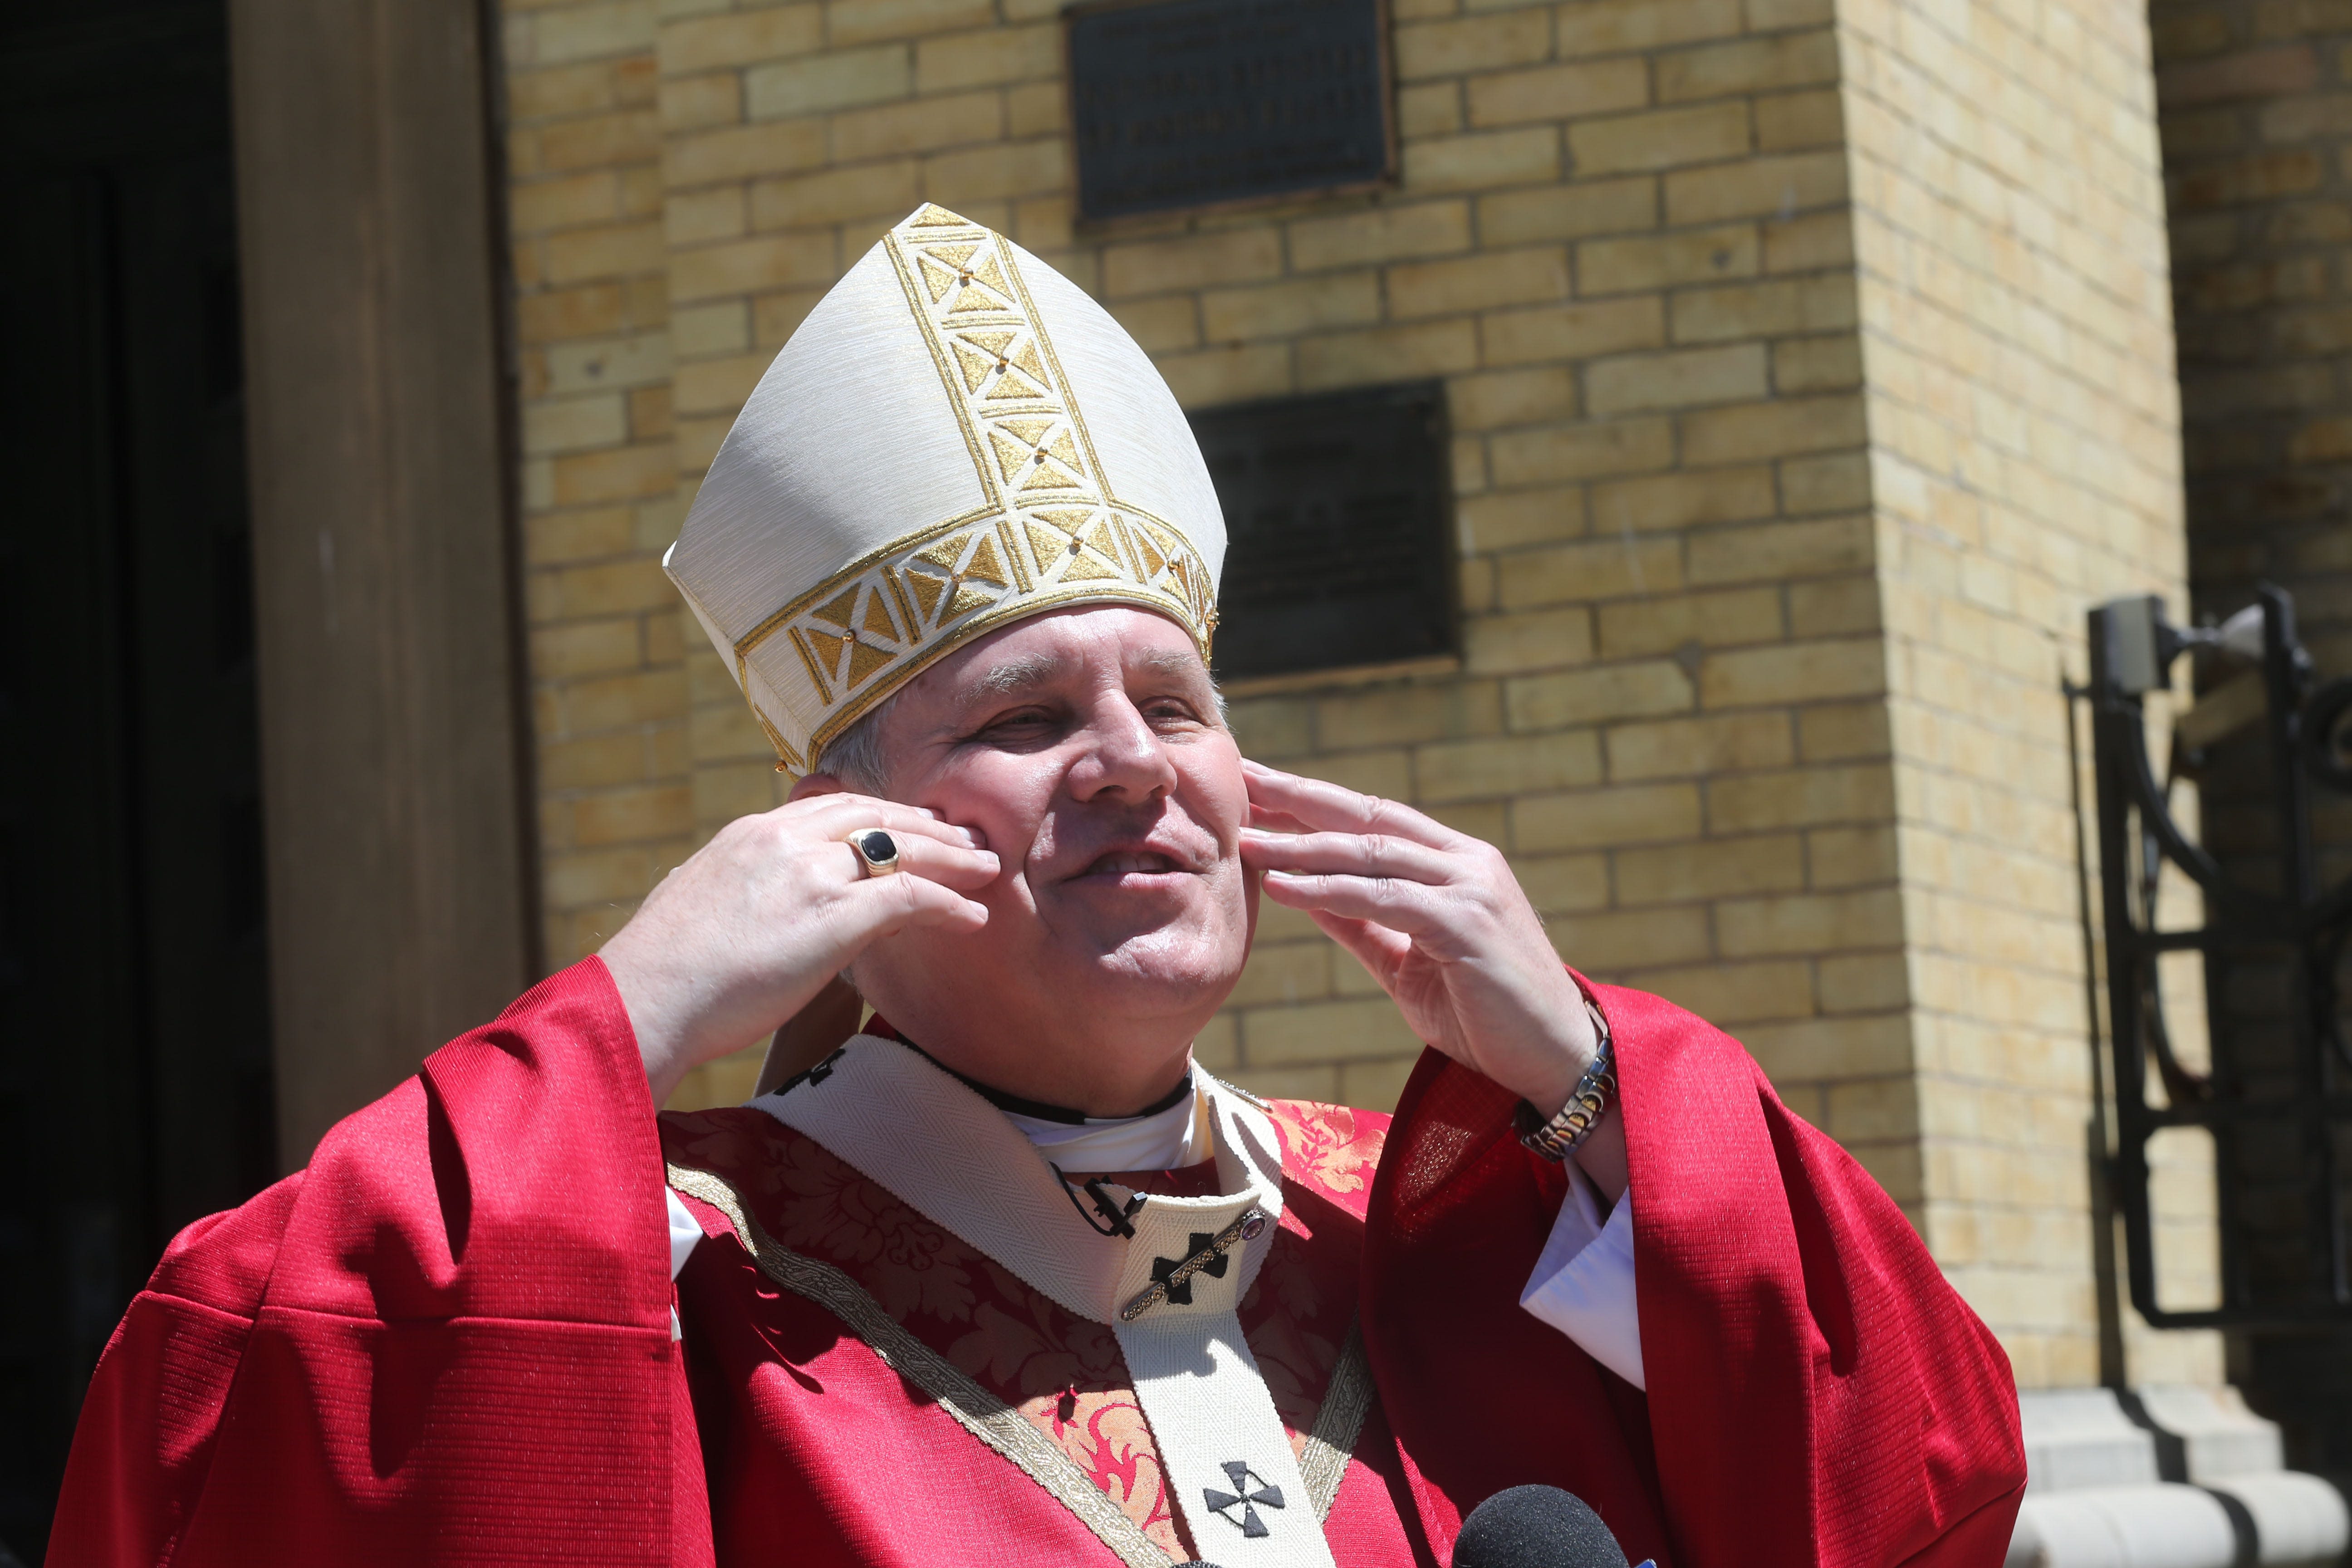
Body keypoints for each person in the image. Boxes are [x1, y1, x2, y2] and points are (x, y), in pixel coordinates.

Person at [46, 206, 2024, 1568]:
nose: (1133, 762)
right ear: (842, 832)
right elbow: (230, 1442)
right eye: (1020, 713)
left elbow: (1916, 1476)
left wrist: (1594, 1085)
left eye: (1174, 697)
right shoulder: (691, 1268)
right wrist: (631, 1017)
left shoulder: (1426, 1228)